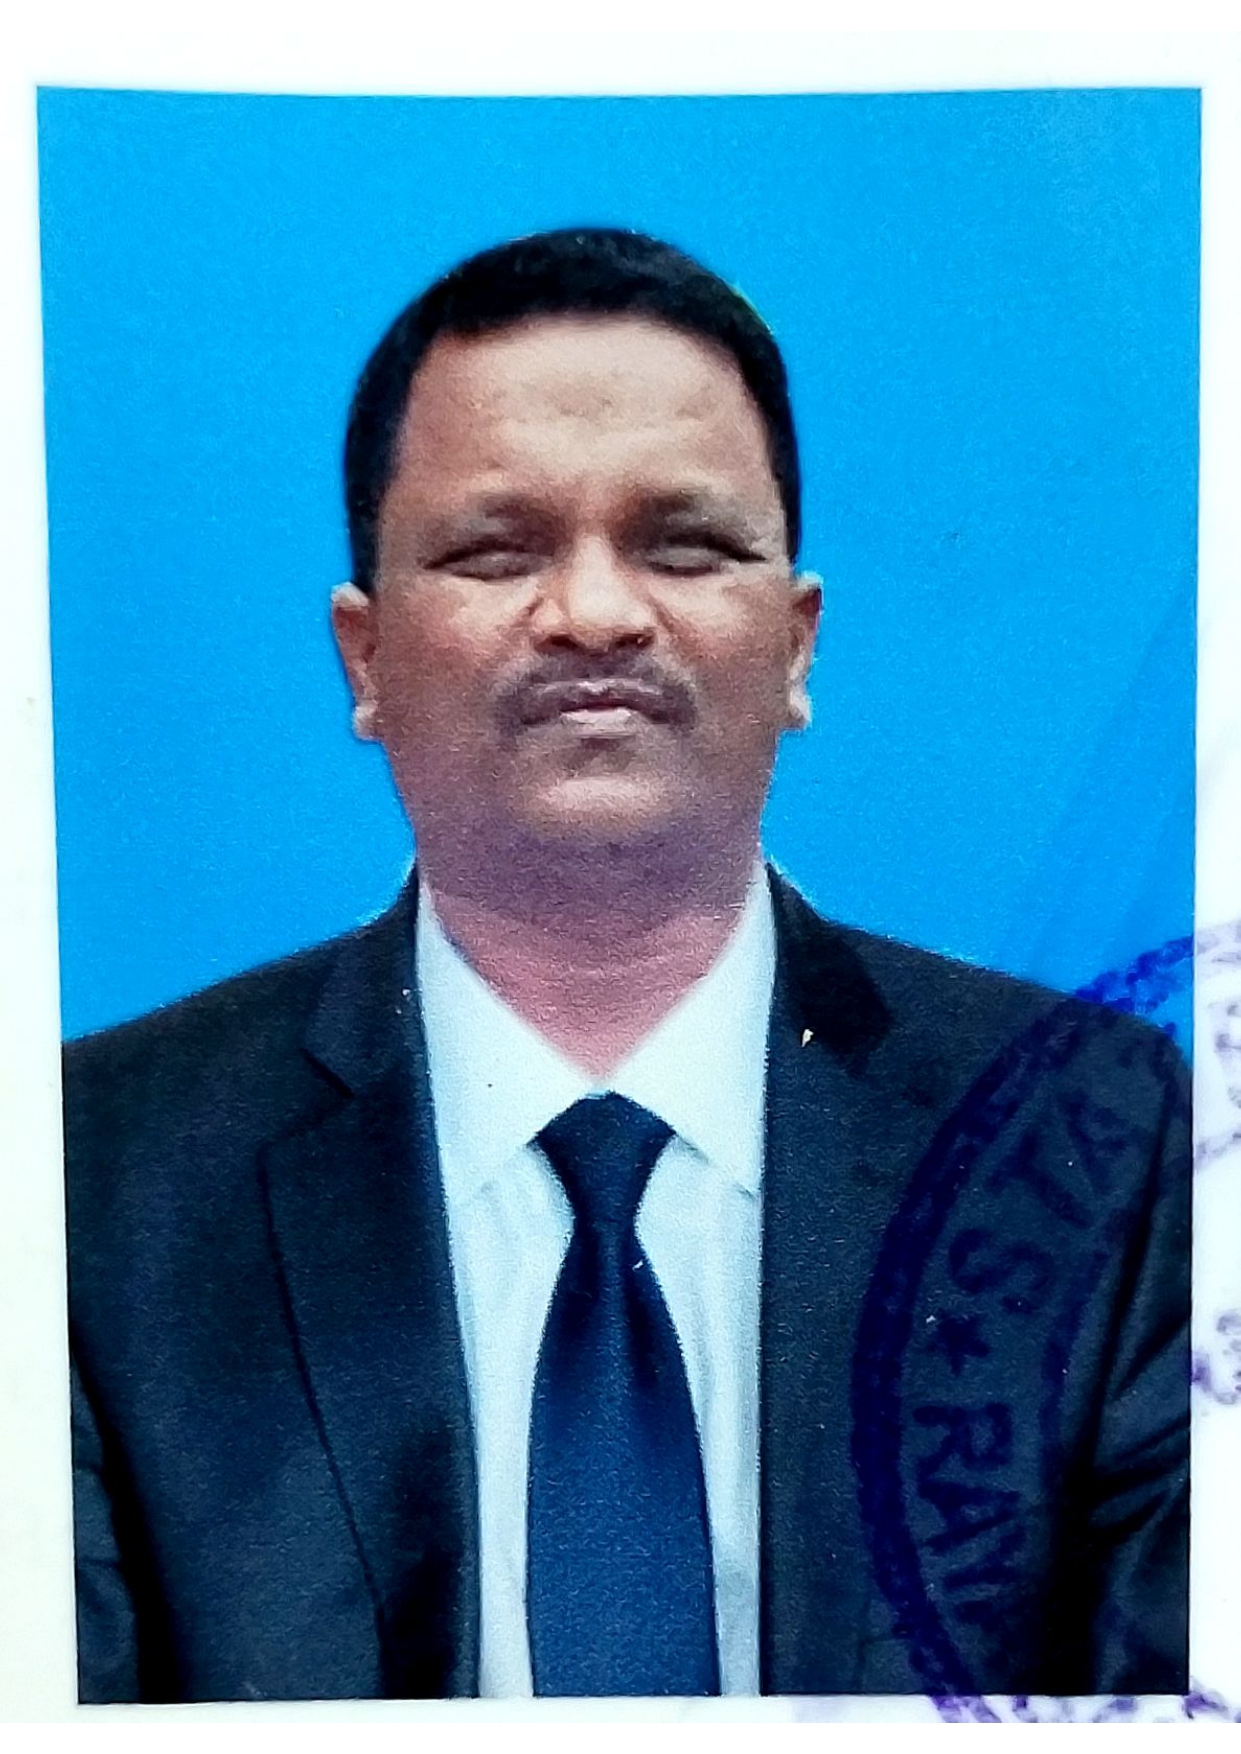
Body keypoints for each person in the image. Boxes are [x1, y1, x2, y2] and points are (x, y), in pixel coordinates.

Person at [62, 227, 1189, 1704]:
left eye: (682, 545)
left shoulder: (1100, 1142)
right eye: (496, 550)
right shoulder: (89, 1173)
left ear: (796, 646)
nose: (595, 614)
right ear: (365, 659)